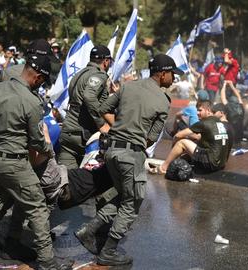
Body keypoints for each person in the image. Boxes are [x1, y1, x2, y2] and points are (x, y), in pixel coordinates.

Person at [0, 55, 72, 270]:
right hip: (15, 164)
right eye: (42, 81)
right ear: (38, 77)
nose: (41, 85)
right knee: (38, 208)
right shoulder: (31, 102)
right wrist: (48, 150)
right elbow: (37, 141)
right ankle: (48, 263)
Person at [75, 54, 177, 266]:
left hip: (112, 151)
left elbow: (102, 109)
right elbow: (150, 138)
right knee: (133, 203)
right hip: (131, 155)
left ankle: (89, 230)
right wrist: (132, 136)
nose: (174, 78)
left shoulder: (128, 87)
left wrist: (120, 127)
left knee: (123, 197)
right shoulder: (163, 100)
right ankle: (108, 252)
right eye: (172, 74)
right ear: (162, 74)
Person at [58, 45, 112, 169]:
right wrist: (101, 124)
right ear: (106, 61)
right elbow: (89, 96)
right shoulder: (99, 75)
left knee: (65, 178)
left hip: (68, 131)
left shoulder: (79, 73)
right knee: (90, 182)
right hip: (84, 135)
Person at [159, 100, 231, 174]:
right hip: (221, 164)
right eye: (197, 110)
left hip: (210, 163)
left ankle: (163, 168)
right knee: (190, 149)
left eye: (200, 110)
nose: (197, 113)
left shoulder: (204, 123)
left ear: (208, 110)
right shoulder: (219, 122)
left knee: (181, 143)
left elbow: (178, 135)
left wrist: (173, 150)